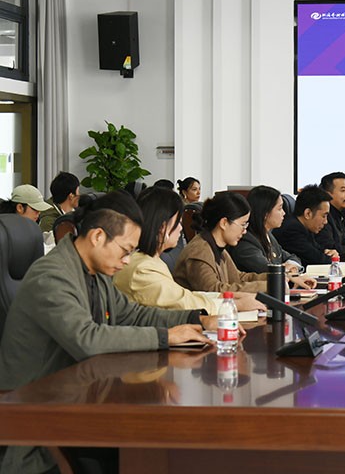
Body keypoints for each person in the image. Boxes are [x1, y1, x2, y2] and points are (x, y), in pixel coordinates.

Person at [0, 191, 217, 474]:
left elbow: (133, 314)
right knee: (155, 440)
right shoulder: (52, 276)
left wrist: (196, 319)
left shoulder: (94, 273)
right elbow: (87, 339)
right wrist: (166, 337)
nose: (127, 260)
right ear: (98, 236)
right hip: (37, 414)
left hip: (79, 397)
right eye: (125, 250)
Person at [115, 187, 265, 314]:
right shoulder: (143, 269)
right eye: (178, 222)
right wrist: (234, 303)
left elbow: (187, 296)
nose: (181, 229)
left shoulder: (152, 262)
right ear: (162, 227)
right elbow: (183, 301)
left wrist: (226, 298)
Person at [174, 192, 313, 293]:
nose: (245, 231)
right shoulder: (199, 252)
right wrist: (270, 286)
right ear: (224, 223)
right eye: (243, 224)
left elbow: (239, 277)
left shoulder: (217, 247)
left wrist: (281, 278)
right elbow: (214, 290)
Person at [228, 185, 308, 275]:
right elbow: (269, 271)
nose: (284, 213)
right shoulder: (246, 242)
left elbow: (293, 257)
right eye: (280, 209)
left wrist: (292, 267)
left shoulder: (268, 235)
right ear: (265, 214)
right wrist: (286, 269)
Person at [272, 184, 338, 266]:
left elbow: (318, 250)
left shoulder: (304, 227)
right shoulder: (292, 230)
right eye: (323, 216)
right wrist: (332, 258)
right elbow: (317, 259)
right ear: (308, 213)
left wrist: (330, 252)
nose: (326, 222)